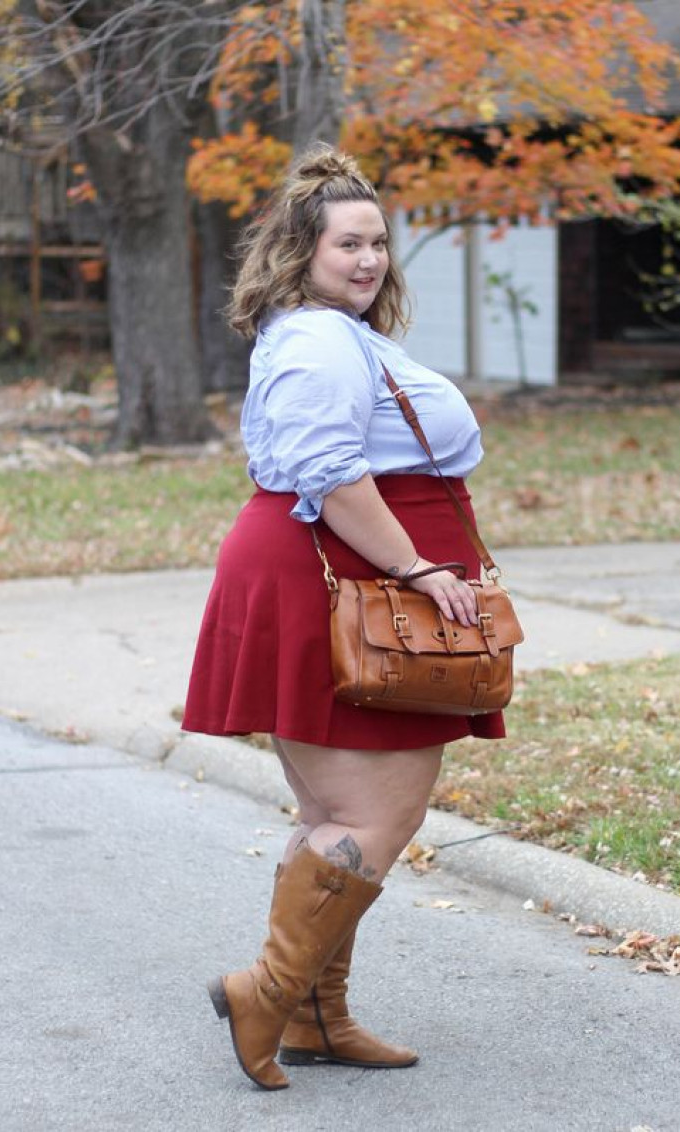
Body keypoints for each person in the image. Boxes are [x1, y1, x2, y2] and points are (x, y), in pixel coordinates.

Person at [182, 143, 505, 1092]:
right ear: (301, 251)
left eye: (378, 245)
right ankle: (268, 992)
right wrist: (416, 567)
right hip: (344, 584)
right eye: (347, 245)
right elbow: (327, 471)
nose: (368, 261)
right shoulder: (319, 339)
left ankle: (321, 1017)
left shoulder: (333, 335)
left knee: (333, 811)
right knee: (375, 810)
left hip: (324, 579)